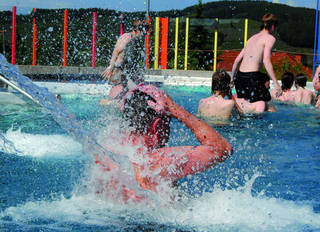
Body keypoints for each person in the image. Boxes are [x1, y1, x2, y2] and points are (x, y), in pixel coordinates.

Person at [94, 83, 233, 203]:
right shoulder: (153, 162)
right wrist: (175, 109)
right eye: (168, 122)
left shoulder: (105, 152)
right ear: (157, 126)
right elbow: (221, 148)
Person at [231, 13, 282, 109]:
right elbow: (266, 60)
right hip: (252, 77)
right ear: (272, 26)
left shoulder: (251, 39)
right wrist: (276, 82)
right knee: (270, 106)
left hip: (240, 77)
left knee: (245, 107)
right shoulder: (270, 38)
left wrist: (232, 78)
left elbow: (237, 60)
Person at [100, 19, 149, 105]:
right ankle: (104, 103)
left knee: (129, 91)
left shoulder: (133, 39)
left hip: (122, 70)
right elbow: (116, 51)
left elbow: (126, 58)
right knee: (121, 94)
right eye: (145, 32)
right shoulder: (127, 38)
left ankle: (116, 105)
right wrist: (110, 67)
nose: (145, 35)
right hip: (117, 70)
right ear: (138, 30)